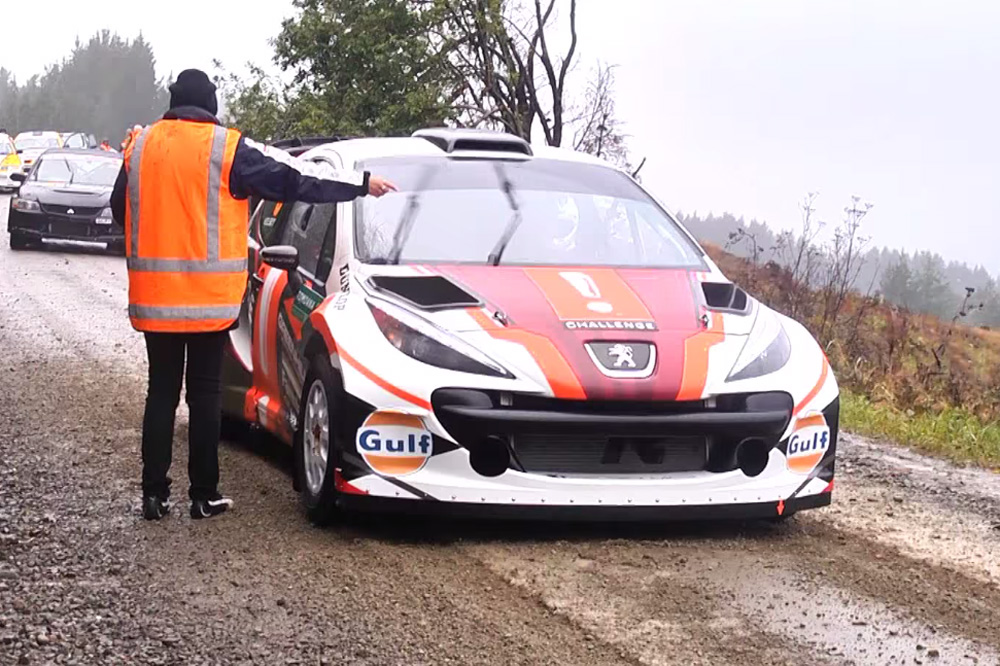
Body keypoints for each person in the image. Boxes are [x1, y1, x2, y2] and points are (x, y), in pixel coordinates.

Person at [110, 69, 396, 522]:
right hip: (208, 302)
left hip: (156, 298)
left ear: (173, 102)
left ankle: (154, 495)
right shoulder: (226, 149)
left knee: (160, 393)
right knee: (204, 394)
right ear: (210, 104)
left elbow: (119, 210)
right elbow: (294, 179)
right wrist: (360, 185)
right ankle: (203, 496)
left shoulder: (141, 146)